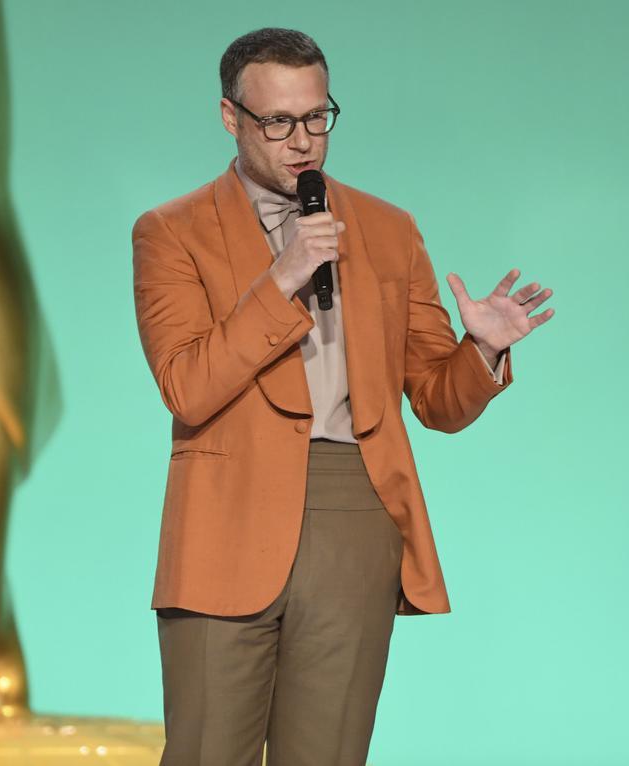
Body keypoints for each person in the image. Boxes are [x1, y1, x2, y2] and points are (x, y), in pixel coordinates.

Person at [130, 27, 553, 766]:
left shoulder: (387, 230)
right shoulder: (171, 232)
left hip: (353, 506)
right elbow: (187, 386)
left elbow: (437, 401)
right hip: (225, 512)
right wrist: (283, 277)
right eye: (278, 123)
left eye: (317, 117)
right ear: (231, 118)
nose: (303, 143)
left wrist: (481, 348)